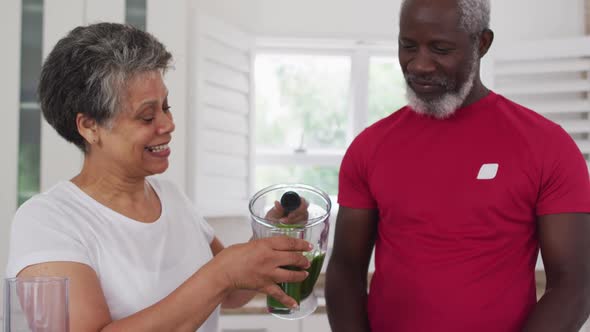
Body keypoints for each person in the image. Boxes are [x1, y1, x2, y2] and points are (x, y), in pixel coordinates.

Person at [5, 23, 313, 332]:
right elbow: (222, 280)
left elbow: (231, 292)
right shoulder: (47, 222)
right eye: (147, 116)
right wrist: (221, 273)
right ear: (89, 127)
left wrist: (268, 240)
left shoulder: (171, 197)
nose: (167, 124)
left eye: (166, 107)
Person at [325, 0, 590, 331]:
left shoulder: (548, 146)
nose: (419, 64)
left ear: (482, 43)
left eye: (440, 48)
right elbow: (346, 271)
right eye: (408, 46)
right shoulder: (369, 147)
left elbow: (574, 287)